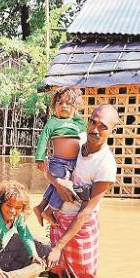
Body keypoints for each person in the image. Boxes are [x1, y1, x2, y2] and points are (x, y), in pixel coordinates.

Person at [44, 104, 120, 278]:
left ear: (112, 132)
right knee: (55, 275)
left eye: (103, 127)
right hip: (58, 220)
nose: (95, 129)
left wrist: (58, 247)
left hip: (81, 228)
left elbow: (86, 211)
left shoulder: (106, 165)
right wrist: (58, 183)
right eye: (93, 122)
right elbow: (48, 169)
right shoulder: (76, 140)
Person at [32, 87, 87, 227]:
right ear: (54, 107)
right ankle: (49, 211)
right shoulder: (53, 122)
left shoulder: (78, 123)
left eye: (68, 103)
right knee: (63, 183)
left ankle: (40, 207)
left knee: (56, 185)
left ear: (75, 107)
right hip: (58, 162)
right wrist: (40, 158)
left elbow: (88, 135)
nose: (63, 106)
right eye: (59, 103)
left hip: (73, 163)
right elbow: (43, 139)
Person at [0, 180, 49, 278]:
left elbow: (26, 236)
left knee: (38, 248)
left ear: (22, 208)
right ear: (1, 203)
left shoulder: (19, 218)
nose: (12, 211)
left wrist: (34, 255)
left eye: (18, 207)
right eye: (9, 206)